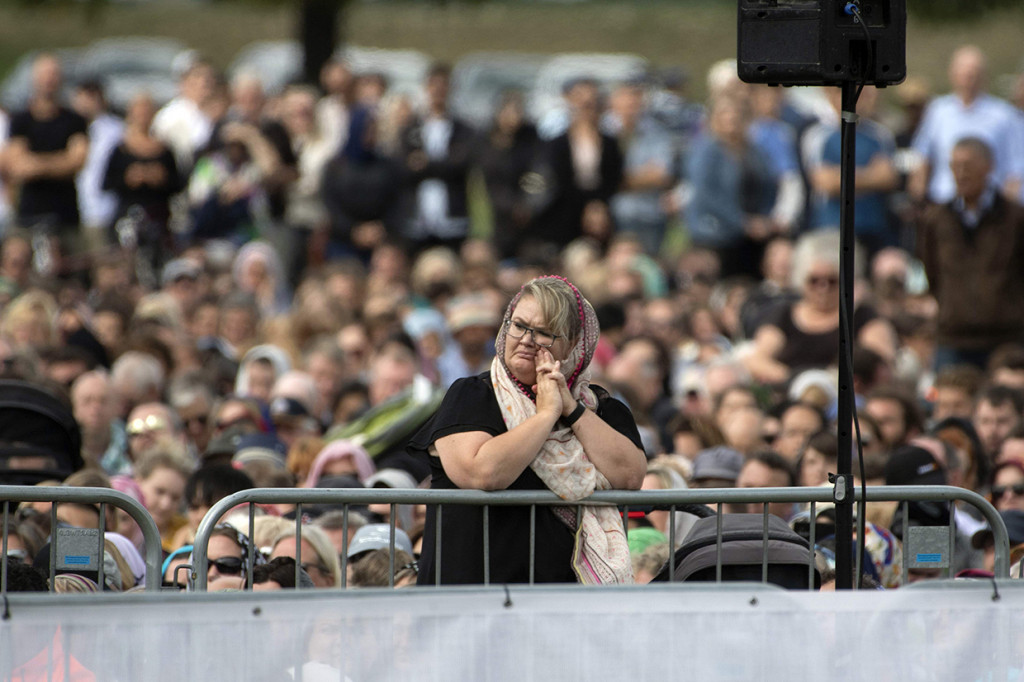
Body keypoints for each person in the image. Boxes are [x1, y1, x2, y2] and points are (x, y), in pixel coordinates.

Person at [409, 275, 646, 584]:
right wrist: (546, 415)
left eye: (544, 333)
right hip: (470, 597)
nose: (526, 340)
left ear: (573, 342)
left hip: (560, 603)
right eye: (518, 326)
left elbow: (630, 475)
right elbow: (482, 472)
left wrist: (571, 410)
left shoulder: (599, 407)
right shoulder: (472, 395)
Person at [916, 137, 1024, 370]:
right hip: (953, 336)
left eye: (968, 165)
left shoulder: (1014, 218)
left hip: (1006, 338)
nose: (961, 173)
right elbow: (932, 272)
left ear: (988, 167)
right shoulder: (936, 219)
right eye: (955, 166)